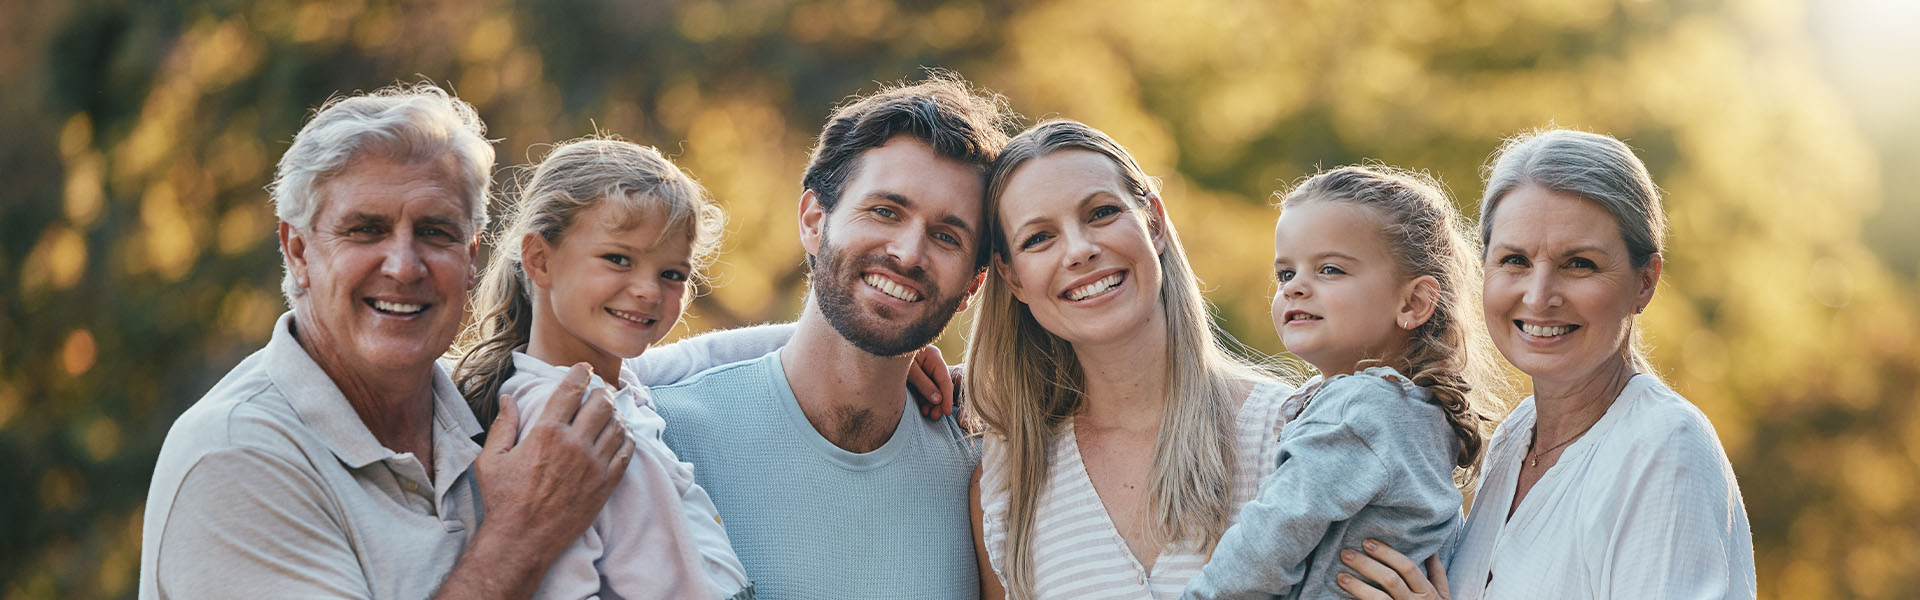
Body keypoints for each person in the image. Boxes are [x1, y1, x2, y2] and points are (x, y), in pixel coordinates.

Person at [140, 83, 634, 599]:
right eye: (366, 230)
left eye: (435, 231)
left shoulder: (505, 416)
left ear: (471, 258)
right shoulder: (235, 455)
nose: (403, 266)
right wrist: (522, 536)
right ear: (298, 251)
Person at [1337, 129, 1756, 600]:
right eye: (1514, 260)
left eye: (1579, 264)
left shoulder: (1664, 447)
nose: (1538, 297)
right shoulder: (1516, 438)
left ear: (1645, 282)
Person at [646, 72, 1017, 599]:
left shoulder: (985, 473)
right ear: (814, 219)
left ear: (974, 282)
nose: (909, 253)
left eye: (947, 236)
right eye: (885, 211)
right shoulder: (660, 437)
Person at [964, 119, 1293, 599]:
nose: (1079, 250)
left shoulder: (1294, 433)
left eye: (1100, 213)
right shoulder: (1005, 485)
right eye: (1038, 238)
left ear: (1154, 223)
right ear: (1012, 278)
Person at [450, 138, 753, 599]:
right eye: (618, 259)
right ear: (540, 259)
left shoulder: (617, 385)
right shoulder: (553, 421)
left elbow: (709, 357)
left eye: (672, 274)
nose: (649, 291)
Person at [1180, 165, 1500, 599]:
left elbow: (1269, 539)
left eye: (1329, 270)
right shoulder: (1415, 411)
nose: (1295, 288)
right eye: (1285, 274)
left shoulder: (1358, 410)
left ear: (1414, 301)